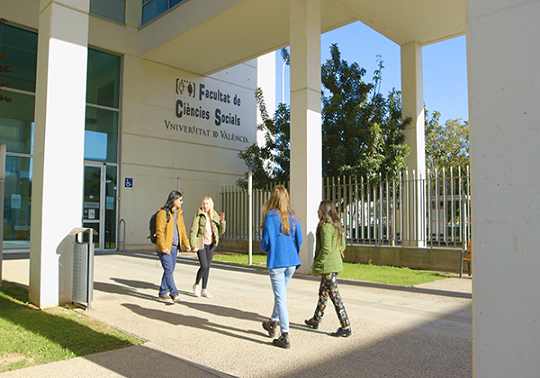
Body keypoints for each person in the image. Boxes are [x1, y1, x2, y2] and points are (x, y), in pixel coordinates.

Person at [260, 185, 302, 349]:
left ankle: (284, 334)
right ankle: (273, 322)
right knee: (281, 295)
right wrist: (294, 254)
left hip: (277, 262)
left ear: (273, 199)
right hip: (292, 261)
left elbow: (265, 244)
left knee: (280, 298)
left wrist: (267, 249)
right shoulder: (292, 215)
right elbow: (299, 239)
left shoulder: (270, 216)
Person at [304, 200, 351, 337]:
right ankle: (316, 319)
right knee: (323, 294)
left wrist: (318, 263)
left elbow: (325, 249)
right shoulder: (336, 224)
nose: (317, 212)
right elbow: (343, 245)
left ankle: (345, 325)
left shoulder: (325, 227)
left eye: (319, 209)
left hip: (328, 267)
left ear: (324, 211)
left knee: (335, 297)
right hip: (334, 265)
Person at [155, 190, 191, 303]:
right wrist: (163, 246)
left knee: (169, 270)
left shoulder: (179, 214)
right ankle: (174, 293)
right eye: (180, 200)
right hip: (165, 247)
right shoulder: (163, 213)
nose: (181, 202)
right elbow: (159, 232)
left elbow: (182, 230)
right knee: (169, 270)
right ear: (174, 200)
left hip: (175, 247)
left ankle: (162, 292)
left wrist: (186, 244)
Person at [190, 196, 226, 298]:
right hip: (201, 241)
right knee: (204, 265)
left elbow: (220, 231)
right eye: (204, 204)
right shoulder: (199, 215)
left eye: (207, 204)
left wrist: (222, 222)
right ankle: (196, 284)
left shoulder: (214, 215)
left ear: (210, 205)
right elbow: (193, 230)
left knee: (208, 267)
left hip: (211, 243)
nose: (205, 206)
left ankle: (204, 289)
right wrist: (194, 245)